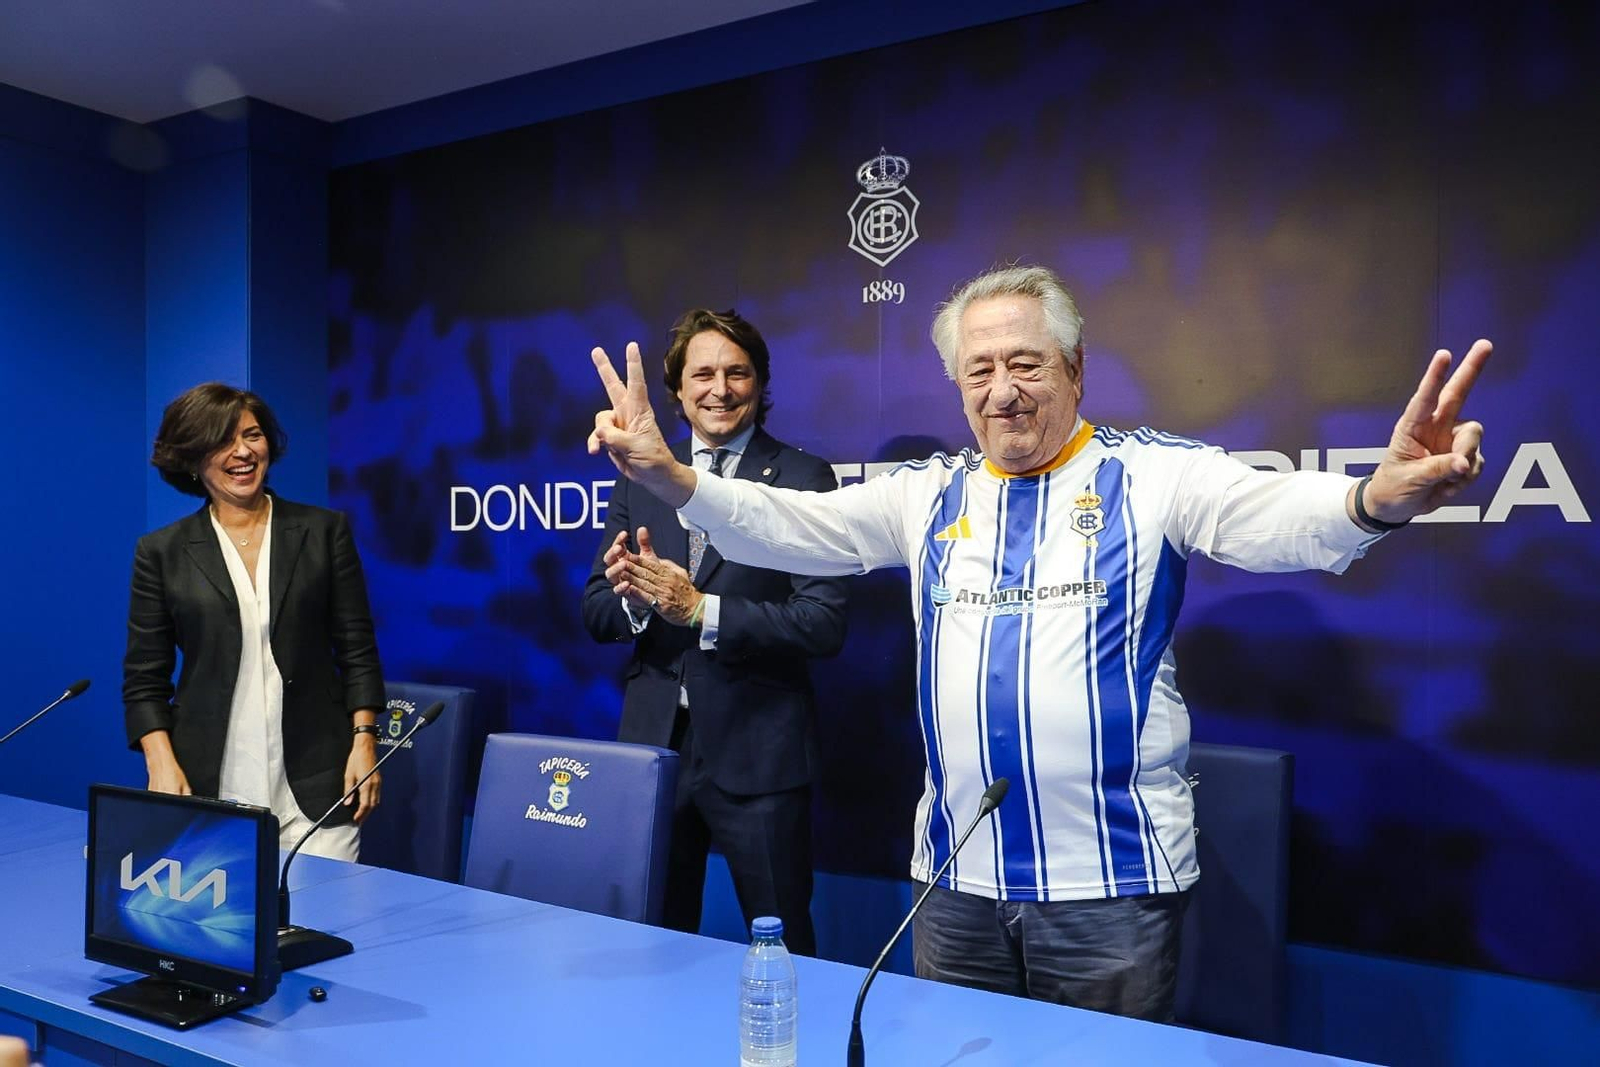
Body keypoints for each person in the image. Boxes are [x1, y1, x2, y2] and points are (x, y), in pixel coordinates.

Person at [587, 266, 1489, 1019]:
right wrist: (671, 476)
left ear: (1075, 368)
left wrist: (1375, 498)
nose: (1003, 389)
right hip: (955, 882)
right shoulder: (926, 494)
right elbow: (781, 528)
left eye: (1025, 362)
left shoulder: (1151, 474)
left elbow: (1281, 521)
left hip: (1112, 885)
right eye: (979, 370)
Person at [581, 308, 848, 954]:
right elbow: (596, 609)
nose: (720, 389)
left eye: (737, 372)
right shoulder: (641, 479)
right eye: (703, 374)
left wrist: (701, 608)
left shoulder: (805, 479)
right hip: (654, 753)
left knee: (783, 946)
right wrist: (641, 600)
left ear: (760, 383)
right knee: (654, 946)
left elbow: (822, 622)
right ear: (677, 390)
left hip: (760, 755)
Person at [123, 382, 387, 860]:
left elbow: (357, 650)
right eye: (222, 441)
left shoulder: (324, 532)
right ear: (191, 457)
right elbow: (144, 679)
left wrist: (364, 741)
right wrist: (159, 762)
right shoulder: (161, 552)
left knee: (325, 924)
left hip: (320, 782)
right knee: (225, 931)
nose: (242, 452)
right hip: (209, 783)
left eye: (252, 435)